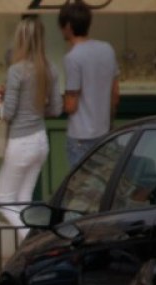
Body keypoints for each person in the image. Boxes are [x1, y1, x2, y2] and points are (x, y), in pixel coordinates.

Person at [0, 16, 61, 240]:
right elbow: (56, 109)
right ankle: (32, 247)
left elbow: (9, 113)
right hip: (40, 141)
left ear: (20, 39)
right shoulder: (50, 69)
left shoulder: (16, 71)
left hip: (20, 142)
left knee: (4, 201)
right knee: (24, 200)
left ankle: (34, 241)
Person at [58, 1, 119, 167]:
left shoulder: (72, 58)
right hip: (105, 133)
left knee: (81, 190)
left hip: (80, 137)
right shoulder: (107, 49)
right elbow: (115, 95)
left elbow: (71, 105)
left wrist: (54, 102)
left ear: (68, 26)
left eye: (61, 26)